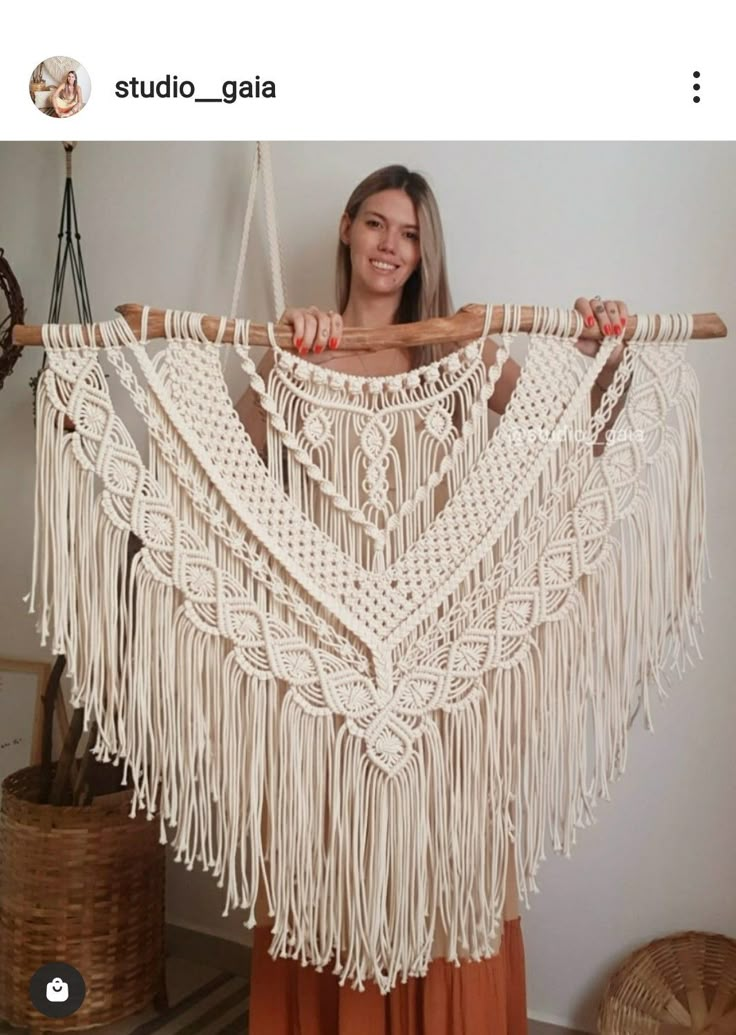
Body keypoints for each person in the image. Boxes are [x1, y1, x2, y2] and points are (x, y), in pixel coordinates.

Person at [237, 164, 630, 1034]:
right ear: (345, 229)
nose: (390, 245)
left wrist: (604, 350)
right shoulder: (297, 349)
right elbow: (220, 468)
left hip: (436, 639)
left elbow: (567, 440)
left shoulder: (454, 348)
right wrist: (288, 348)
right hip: (327, 643)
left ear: (424, 251)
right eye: (376, 224)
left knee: (441, 847)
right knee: (330, 847)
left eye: (410, 234)